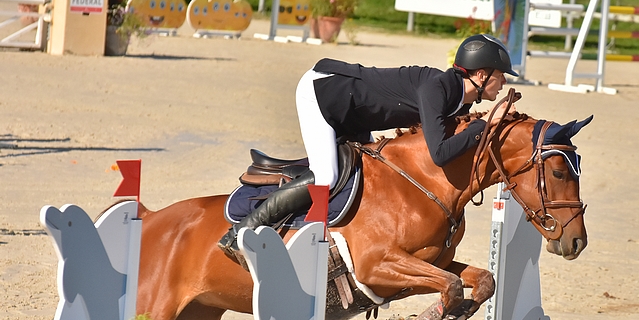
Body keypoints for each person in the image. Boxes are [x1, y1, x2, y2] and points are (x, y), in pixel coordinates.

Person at [218, 33, 519, 258]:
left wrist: (490, 123)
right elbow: (440, 153)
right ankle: (242, 230)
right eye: (500, 75)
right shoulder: (437, 88)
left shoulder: (457, 98)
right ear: (481, 74)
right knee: (326, 176)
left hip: (355, 111)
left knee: (370, 171)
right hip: (324, 94)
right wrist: (484, 124)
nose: (503, 82)